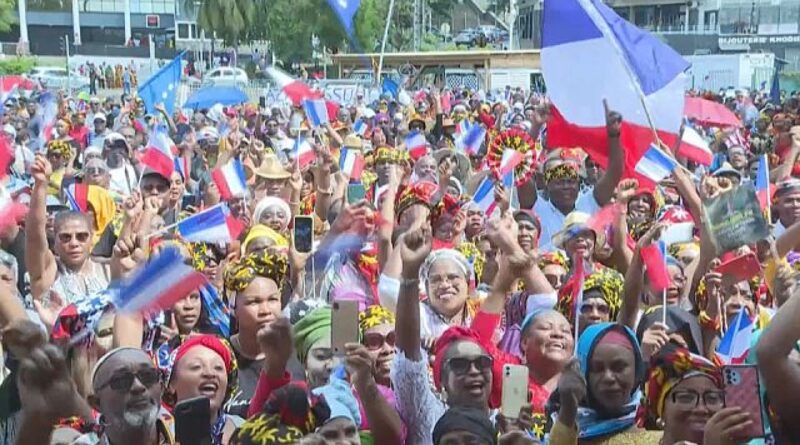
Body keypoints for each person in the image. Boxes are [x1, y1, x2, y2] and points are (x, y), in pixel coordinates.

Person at [549, 323, 658, 444]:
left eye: (619, 367)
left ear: (637, 371)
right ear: (583, 372)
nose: (608, 377)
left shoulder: (661, 428)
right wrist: (568, 409)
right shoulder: (563, 427)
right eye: (597, 368)